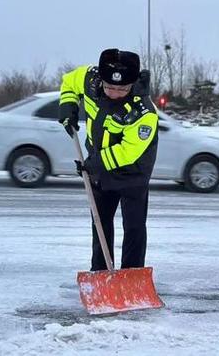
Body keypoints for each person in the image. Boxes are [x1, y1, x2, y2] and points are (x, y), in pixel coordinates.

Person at [58, 48, 158, 271]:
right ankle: (101, 272)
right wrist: (68, 105)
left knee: (133, 227)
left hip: (133, 172)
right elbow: (68, 82)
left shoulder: (144, 112)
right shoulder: (90, 79)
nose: (114, 93)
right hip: (100, 169)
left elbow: (130, 150)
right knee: (100, 224)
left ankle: (132, 274)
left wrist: (96, 162)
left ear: (131, 84)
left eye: (122, 88)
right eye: (109, 87)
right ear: (101, 80)